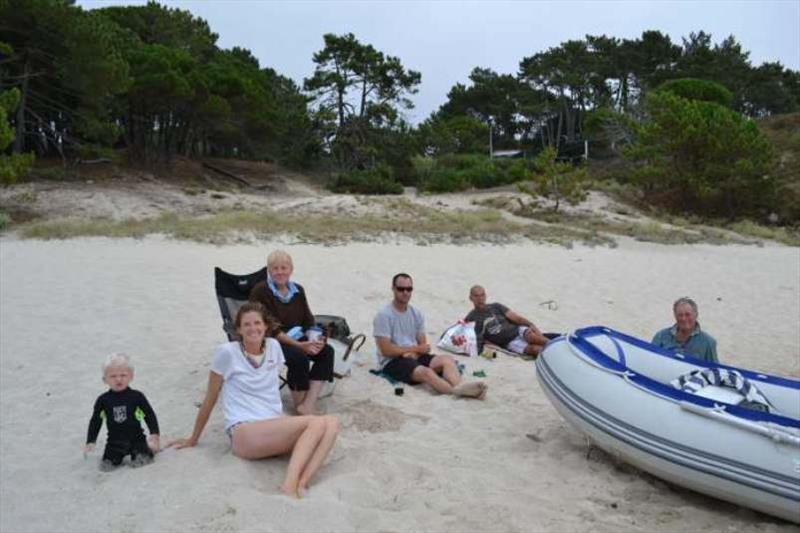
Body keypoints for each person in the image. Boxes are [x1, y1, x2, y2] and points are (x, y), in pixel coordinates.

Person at [169, 302, 338, 498]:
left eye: (257, 323)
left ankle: (303, 482)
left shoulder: (274, 346)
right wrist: (193, 438)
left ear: (266, 326)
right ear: (239, 329)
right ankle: (289, 485)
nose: (253, 328)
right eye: (247, 324)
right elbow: (210, 398)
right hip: (244, 432)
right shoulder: (227, 352)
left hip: (272, 426)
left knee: (331, 423)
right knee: (315, 422)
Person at [373, 273, 487, 399]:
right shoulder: (384, 315)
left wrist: (415, 352)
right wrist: (414, 350)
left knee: (447, 360)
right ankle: (457, 391)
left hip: (414, 355)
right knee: (426, 372)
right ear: (393, 289)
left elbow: (423, 344)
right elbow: (386, 350)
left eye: (409, 289)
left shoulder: (416, 313)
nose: (405, 292)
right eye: (401, 289)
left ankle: (461, 386)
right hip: (392, 362)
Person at [249, 250, 334, 416]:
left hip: (298, 338)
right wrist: (301, 345)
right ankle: (299, 405)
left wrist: (314, 340)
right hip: (270, 340)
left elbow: (308, 320)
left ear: (291, 269)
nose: (280, 272)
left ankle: (307, 404)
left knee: (326, 352)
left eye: (284, 268)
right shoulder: (260, 291)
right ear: (269, 270)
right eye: (275, 268)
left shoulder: (298, 290)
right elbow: (269, 328)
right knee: (298, 357)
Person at [84, 353, 160, 471]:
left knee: (143, 461)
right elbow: (96, 421)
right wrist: (90, 441)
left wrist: (154, 433)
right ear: (105, 380)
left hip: (137, 439)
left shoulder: (137, 396)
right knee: (107, 466)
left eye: (123, 375)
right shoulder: (103, 400)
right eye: (113, 376)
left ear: (131, 376)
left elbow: (149, 414)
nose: (118, 379)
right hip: (115, 442)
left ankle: (149, 448)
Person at [465, 285, 549, 357]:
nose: (480, 298)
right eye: (476, 296)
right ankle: (551, 355)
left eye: (482, 295)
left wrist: (530, 325)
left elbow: (516, 318)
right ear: (471, 298)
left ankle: (554, 345)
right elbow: (471, 337)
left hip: (517, 330)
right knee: (534, 349)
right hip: (508, 342)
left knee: (533, 338)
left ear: (485, 296)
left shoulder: (496, 306)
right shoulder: (471, 318)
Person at [652, 297, 718, 363]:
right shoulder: (660, 336)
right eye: (680, 315)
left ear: (696, 315)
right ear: (675, 316)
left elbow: (714, 370)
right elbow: (651, 360)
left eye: (688, 314)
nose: (684, 318)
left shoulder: (708, 342)